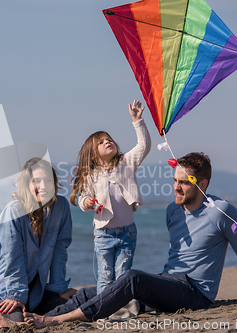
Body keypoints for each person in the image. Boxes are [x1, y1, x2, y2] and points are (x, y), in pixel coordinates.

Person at [18, 152, 237, 328]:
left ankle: (54, 321)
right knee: (90, 291)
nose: (176, 186)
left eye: (183, 182)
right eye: (175, 179)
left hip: (196, 294)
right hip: (170, 283)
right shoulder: (171, 211)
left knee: (131, 278)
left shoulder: (222, 211)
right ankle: (27, 321)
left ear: (201, 185)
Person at [0, 157, 76, 328]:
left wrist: (58, 288)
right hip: (3, 291)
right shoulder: (13, 211)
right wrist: (16, 296)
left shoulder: (61, 206)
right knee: (18, 325)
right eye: (36, 181)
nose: (43, 186)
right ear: (26, 184)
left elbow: (60, 251)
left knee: (71, 308)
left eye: (48, 180)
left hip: (35, 291)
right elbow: (13, 258)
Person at [70, 99, 151, 293]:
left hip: (128, 232)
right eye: (101, 142)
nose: (108, 142)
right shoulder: (91, 175)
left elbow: (144, 145)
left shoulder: (126, 163)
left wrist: (137, 121)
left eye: (109, 139)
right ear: (92, 154)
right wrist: (86, 202)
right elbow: (82, 198)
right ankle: (103, 311)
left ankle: (123, 310)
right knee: (105, 277)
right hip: (103, 234)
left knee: (123, 275)